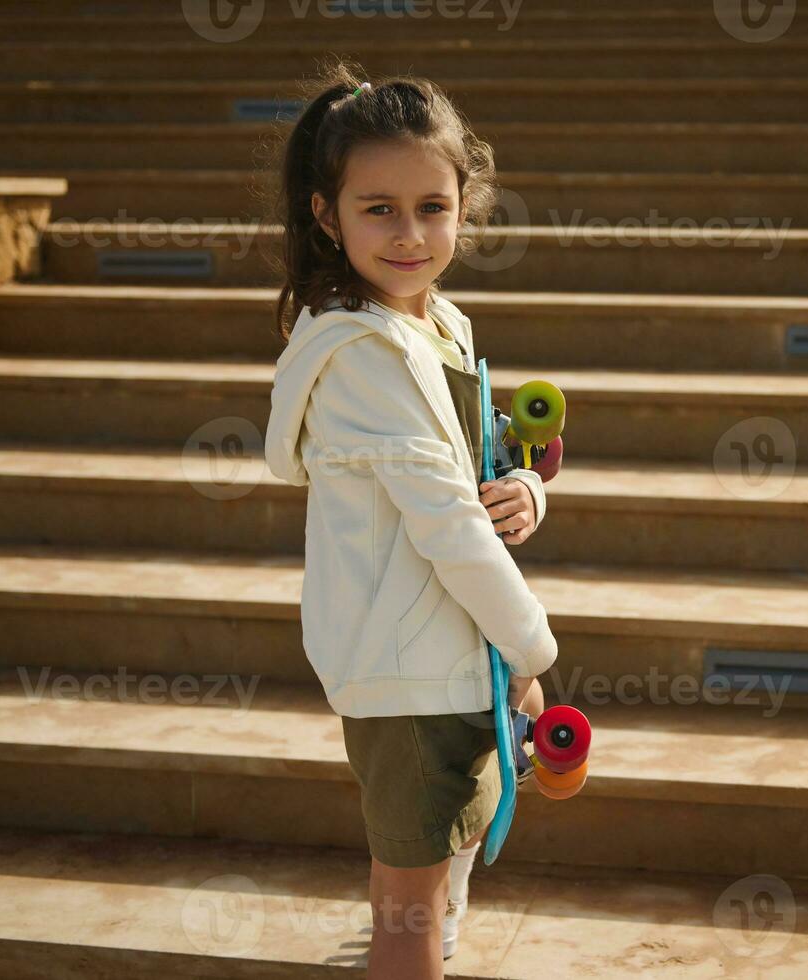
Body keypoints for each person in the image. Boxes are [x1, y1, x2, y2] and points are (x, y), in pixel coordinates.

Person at [263, 60, 556, 979]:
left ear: (465, 204)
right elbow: (444, 522)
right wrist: (533, 655)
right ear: (326, 213)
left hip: (448, 655)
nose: (409, 233)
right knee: (405, 918)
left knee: (447, 880)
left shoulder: (440, 327)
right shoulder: (362, 356)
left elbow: (476, 476)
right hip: (412, 678)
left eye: (431, 206)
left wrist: (528, 490)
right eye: (377, 208)